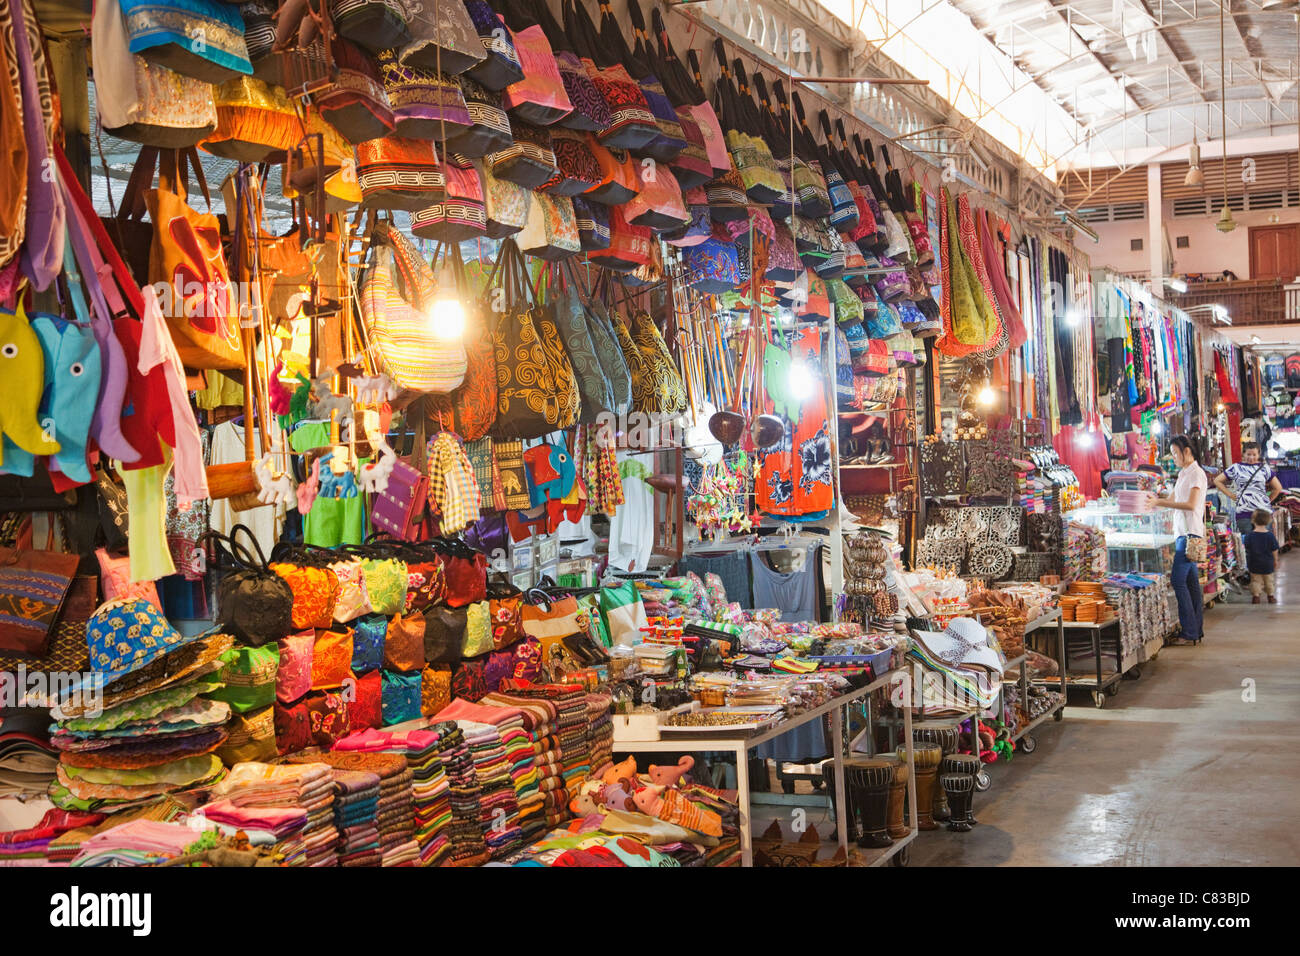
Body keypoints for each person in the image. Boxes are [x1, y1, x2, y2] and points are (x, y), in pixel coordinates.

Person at [1150, 435, 1207, 646]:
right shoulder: (1184, 473)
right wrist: (1153, 501)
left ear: (1187, 451)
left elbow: (1191, 505)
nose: (1173, 458)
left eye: (1175, 453)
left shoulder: (1196, 474)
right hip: (1183, 533)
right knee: (1191, 583)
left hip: (1190, 534)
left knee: (1178, 581)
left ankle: (1189, 631)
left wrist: (1160, 502)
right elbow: (1172, 499)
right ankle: (1195, 630)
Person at [1214, 441, 1282, 532]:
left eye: (1254, 454)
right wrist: (1230, 495)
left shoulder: (1264, 468)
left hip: (1263, 512)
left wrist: (1267, 500)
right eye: (1248, 454)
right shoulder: (1236, 468)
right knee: (1247, 543)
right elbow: (1217, 481)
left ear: (1259, 454)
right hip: (1243, 513)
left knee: (1263, 542)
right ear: (1243, 454)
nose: (1251, 457)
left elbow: (1278, 488)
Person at [1244, 508, 1280, 605]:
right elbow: (1275, 549)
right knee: (1269, 580)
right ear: (1268, 521)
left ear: (1253, 520)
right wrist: (1276, 560)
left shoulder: (1250, 535)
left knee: (1255, 580)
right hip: (1268, 563)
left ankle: (1256, 597)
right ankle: (1271, 596)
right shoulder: (1270, 536)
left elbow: (1246, 547)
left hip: (1254, 563)